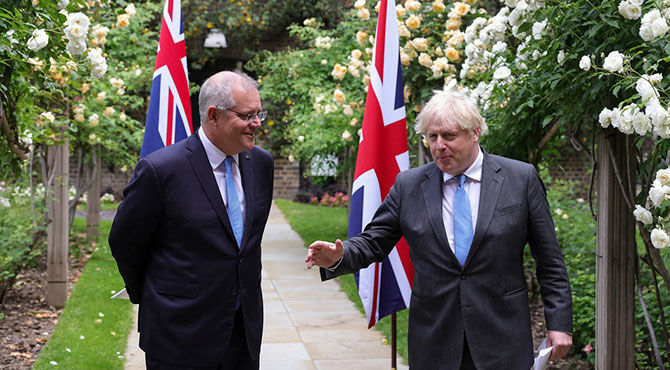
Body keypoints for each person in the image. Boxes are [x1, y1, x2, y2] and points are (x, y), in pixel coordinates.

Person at [305, 91, 573, 369]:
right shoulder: (408, 186)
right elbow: (374, 241)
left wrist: (560, 324)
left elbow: (550, 261)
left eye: (449, 136)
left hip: (501, 337)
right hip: (435, 340)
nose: (439, 146)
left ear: (475, 133)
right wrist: (339, 255)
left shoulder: (520, 178)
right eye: (432, 137)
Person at [109, 70, 274, 369]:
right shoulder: (160, 171)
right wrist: (153, 294)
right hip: (179, 334)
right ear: (214, 115)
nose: (257, 124)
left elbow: (248, 244)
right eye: (247, 115)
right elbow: (124, 242)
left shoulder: (261, 163)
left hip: (244, 332)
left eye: (259, 113)